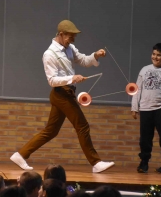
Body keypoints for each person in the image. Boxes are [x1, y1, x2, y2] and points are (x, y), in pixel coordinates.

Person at [10, 19, 114, 173]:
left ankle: (20, 154)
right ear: (61, 34)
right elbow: (52, 81)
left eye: (73, 37)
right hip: (61, 94)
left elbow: (84, 60)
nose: (72, 40)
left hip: (67, 93)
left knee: (51, 131)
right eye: (70, 36)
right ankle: (96, 163)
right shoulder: (49, 54)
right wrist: (72, 78)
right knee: (82, 126)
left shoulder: (69, 48)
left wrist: (96, 55)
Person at [131, 43, 161, 174]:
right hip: (145, 109)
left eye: (159, 55)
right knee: (145, 138)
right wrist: (134, 107)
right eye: (154, 54)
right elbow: (137, 89)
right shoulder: (144, 70)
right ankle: (144, 162)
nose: (155, 57)